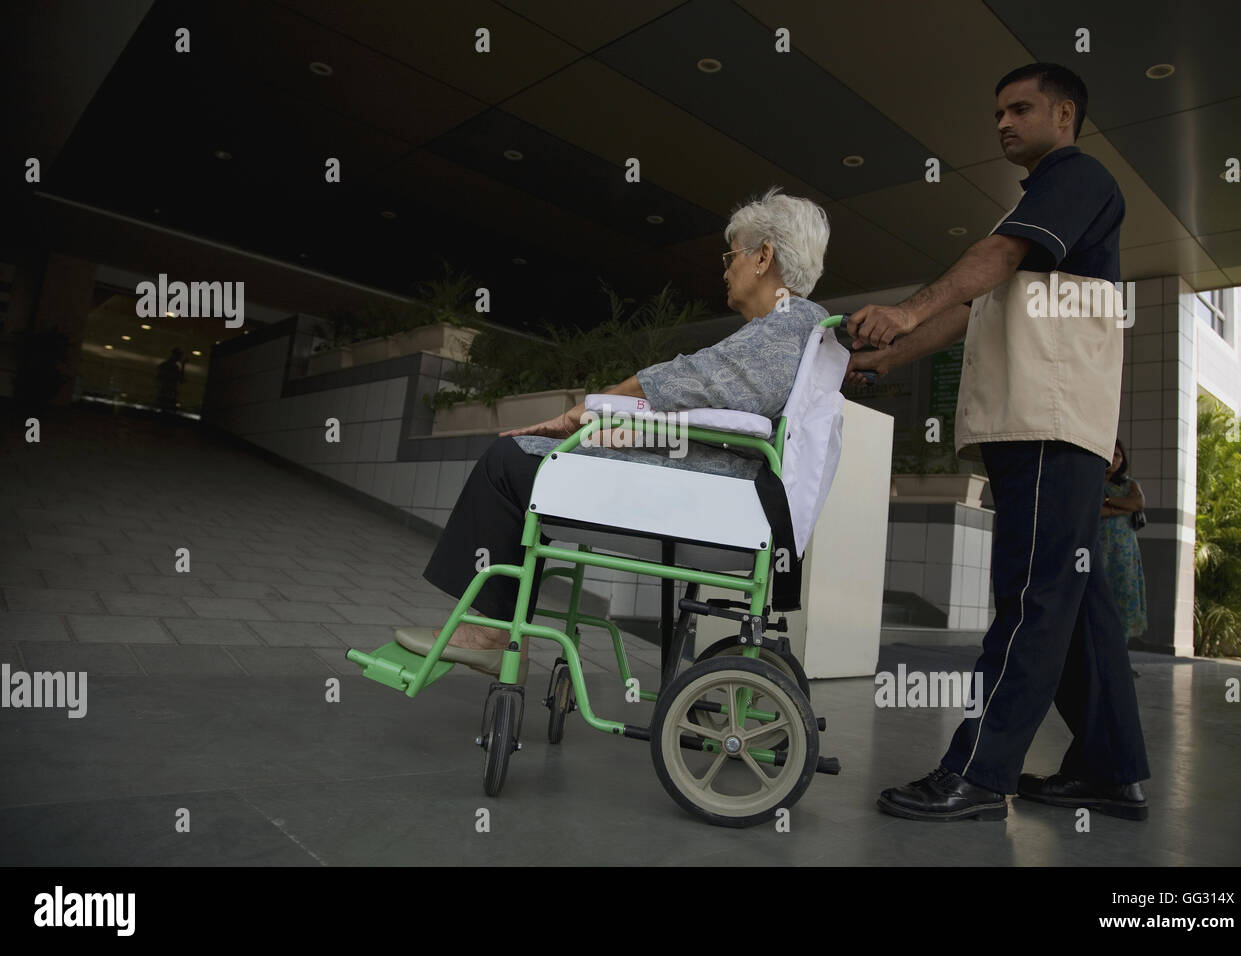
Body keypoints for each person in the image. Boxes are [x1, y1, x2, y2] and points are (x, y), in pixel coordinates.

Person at [850, 63, 1150, 822]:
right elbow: (983, 301)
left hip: (1047, 423)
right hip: (1044, 425)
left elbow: (996, 264)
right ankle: (1111, 770)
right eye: (997, 114)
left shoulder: (1076, 178)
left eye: (1019, 108)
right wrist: (892, 355)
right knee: (1076, 602)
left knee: (1031, 599)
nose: (1003, 124)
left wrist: (908, 311)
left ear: (1065, 112)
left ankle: (980, 775)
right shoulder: (1041, 204)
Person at [401, 186, 832, 680]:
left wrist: (592, 409)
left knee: (509, 463)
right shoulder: (800, 326)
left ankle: (491, 633)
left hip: (716, 489)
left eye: (731, 255)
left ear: (763, 257)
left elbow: (699, 382)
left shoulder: (787, 321)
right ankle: (493, 627)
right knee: (533, 457)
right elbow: (714, 391)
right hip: (721, 478)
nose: (725, 269)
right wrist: (616, 422)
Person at [1100, 439, 1148, 673]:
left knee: (1124, 602)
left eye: (1119, 456)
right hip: (1099, 551)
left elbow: (1138, 503)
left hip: (1125, 553)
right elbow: (1093, 509)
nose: (1115, 460)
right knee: (1100, 602)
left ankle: (1120, 662)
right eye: (1111, 455)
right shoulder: (1093, 481)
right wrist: (1121, 508)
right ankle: (1099, 659)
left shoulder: (1130, 485)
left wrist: (1109, 504)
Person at [155, 347, 187, 412]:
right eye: (179, 356)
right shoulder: (170, 366)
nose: (180, 358)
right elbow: (181, 379)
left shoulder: (168, 365)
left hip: (167, 392)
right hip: (167, 393)